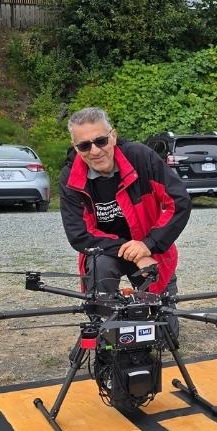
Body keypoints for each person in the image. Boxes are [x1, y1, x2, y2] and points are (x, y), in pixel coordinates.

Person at [60, 107, 191, 295]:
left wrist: (148, 245)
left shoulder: (141, 157)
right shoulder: (70, 177)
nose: (95, 151)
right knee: (101, 269)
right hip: (105, 251)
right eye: (85, 146)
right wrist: (131, 253)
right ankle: (105, 314)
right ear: (76, 148)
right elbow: (78, 234)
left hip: (150, 248)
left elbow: (179, 202)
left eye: (101, 141)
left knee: (163, 321)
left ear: (113, 136)